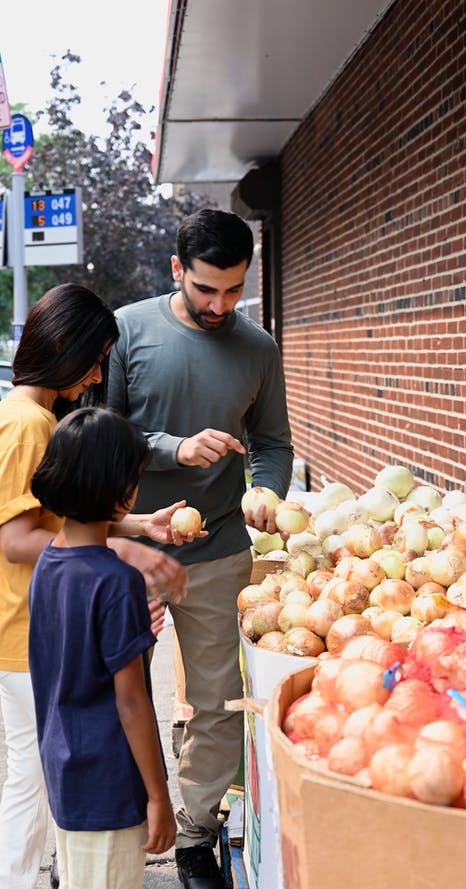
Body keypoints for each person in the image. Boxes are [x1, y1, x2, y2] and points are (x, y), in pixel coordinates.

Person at [108, 208, 294, 888]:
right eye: (206, 289)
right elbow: (101, 432)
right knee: (114, 691)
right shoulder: (129, 330)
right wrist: (173, 447)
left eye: (234, 290)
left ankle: (194, 835)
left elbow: (273, 443)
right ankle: (121, 827)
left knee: (217, 701)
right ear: (177, 270)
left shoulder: (259, 348)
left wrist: (266, 490)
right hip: (130, 545)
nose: (220, 305)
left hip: (219, 550)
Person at [0, 283, 191, 889]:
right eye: (97, 356)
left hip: (42, 625)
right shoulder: (28, 422)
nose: (97, 373)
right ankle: (20, 878)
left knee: (39, 767)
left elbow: (63, 519)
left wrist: (134, 525)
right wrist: (127, 549)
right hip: (21, 632)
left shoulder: (33, 416)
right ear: (64, 346)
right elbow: (16, 538)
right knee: (29, 774)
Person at [28, 406, 177, 889]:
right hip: (110, 782)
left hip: (65, 767)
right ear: (121, 490)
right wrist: (158, 796)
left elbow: (76, 652)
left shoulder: (49, 560)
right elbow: (131, 701)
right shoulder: (117, 580)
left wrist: (133, 632)